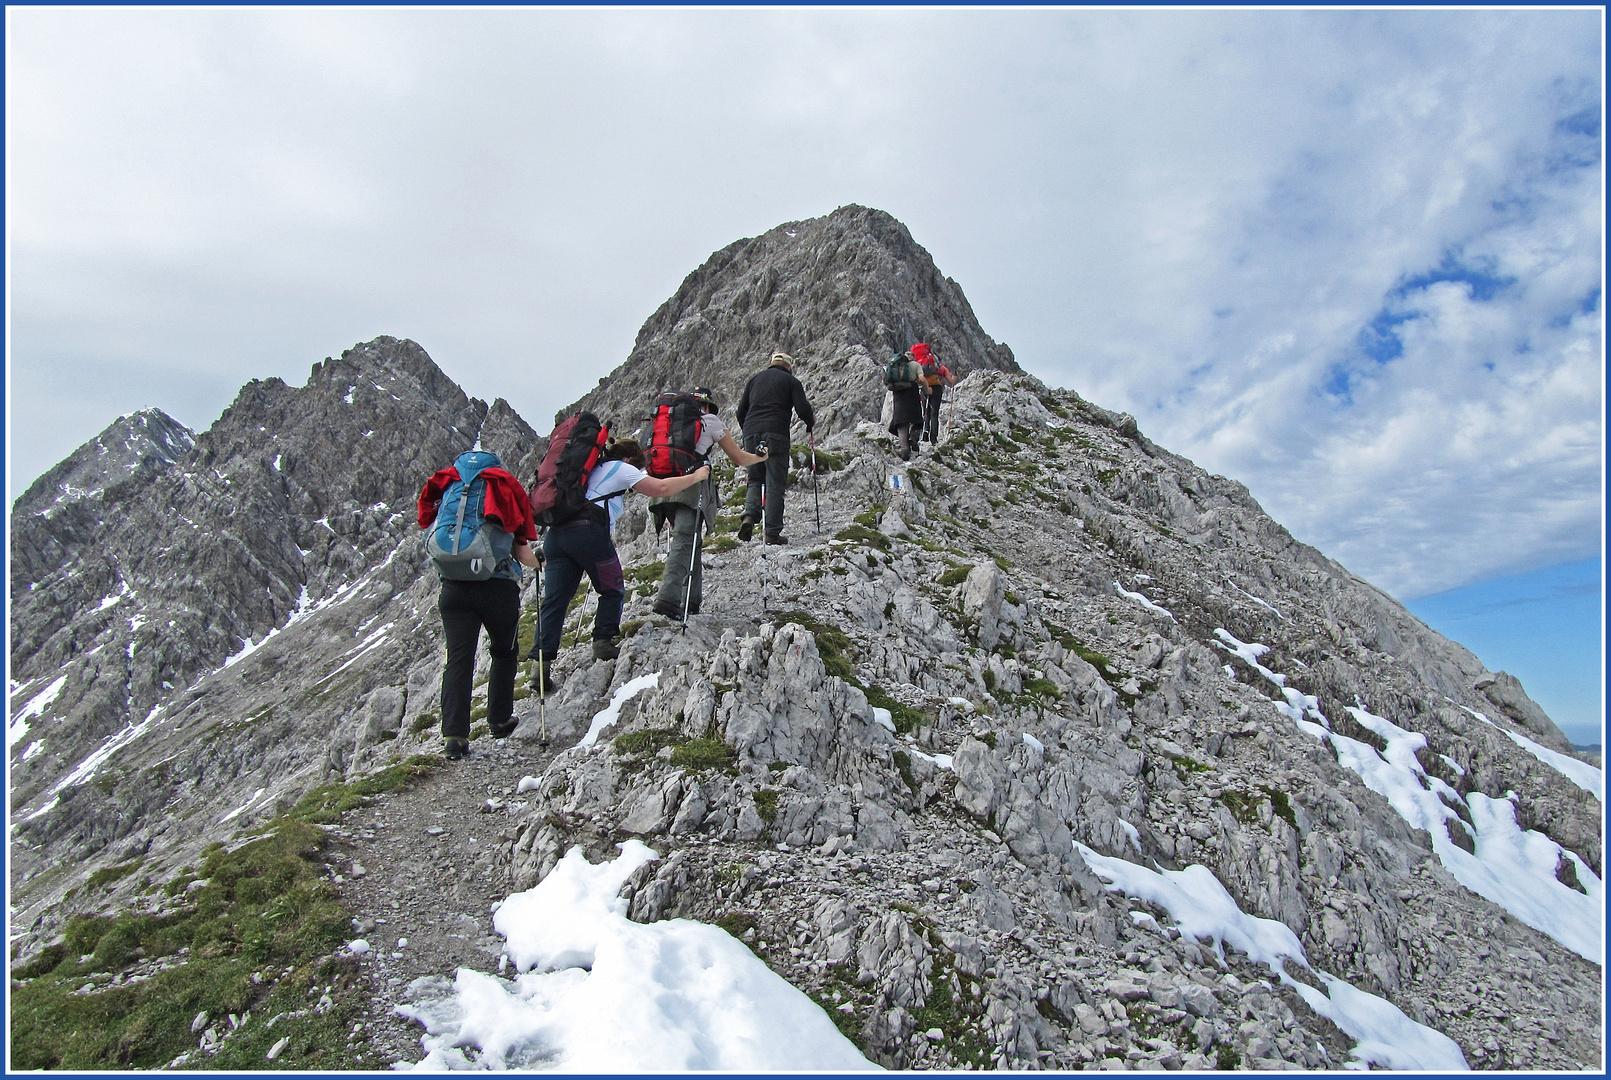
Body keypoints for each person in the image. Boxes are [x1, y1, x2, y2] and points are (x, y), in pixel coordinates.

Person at [533, 439, 710, 686]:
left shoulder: (588, 471)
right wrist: (696, 477)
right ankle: (603, 643)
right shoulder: (621, 468)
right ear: (630, 460)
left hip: (557, 536)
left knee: (555, 600)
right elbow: (659, 488)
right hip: (588, 532)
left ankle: (540, 667)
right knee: (613, 589)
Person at [417, 452, 542, 761]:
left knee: (458, 659)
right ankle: (499, 720)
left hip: (453, 588)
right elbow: (522, 551)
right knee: (504, 651)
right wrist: (539, 562)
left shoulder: (450, 487)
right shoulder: (503, 487)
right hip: (495, 587)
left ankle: (455, 737)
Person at [649, 387, 769, 620]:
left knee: (691, 539)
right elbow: (738, 458)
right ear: (706, 406)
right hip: (691, 484)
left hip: (662, 484)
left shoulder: (669, 423)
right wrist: (760, 457)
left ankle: (692, 600)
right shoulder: (710, 421)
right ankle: (668, 598)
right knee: (685, 539)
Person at [734, 351, 815, 545]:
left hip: (751, 434)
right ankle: (771, 532)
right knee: (774, 483)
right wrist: (810, 422)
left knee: (754, 478)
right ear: (789, 366)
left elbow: (740, 411)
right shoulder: (791, 381)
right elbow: (802, 408)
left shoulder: (754, 380)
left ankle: (749, 517)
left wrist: (749, 432)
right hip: (776, 435)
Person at [886, 349, 927, 461]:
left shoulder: (895, 365)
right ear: (912, 357)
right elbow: (921, 378)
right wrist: (927, 388)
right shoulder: (915, 365)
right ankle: (914, 437)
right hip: (912, 392)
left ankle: (905, 450)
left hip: (898, 394)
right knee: (917, 420)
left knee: (901, 423)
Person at [916, 344, 957, 445]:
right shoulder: (942, 368)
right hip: (937, 389)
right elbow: (951, 381)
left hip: (925, 388)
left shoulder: (922, 365)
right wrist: (955, 376)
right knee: (934, 413)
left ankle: (925, 433)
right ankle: (933, 438)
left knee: (926, 412)